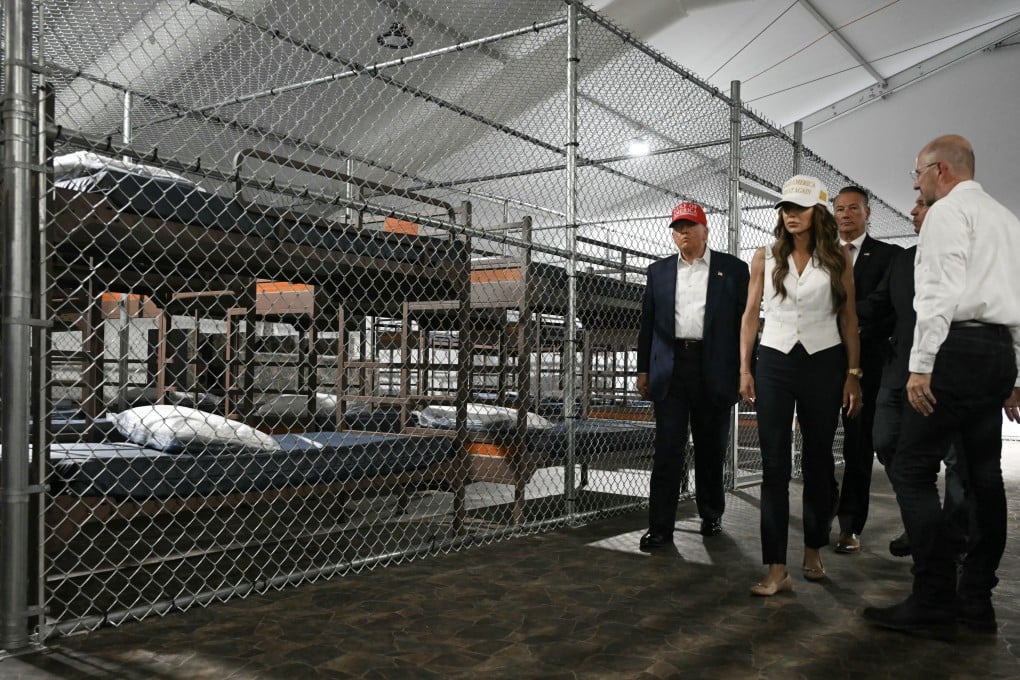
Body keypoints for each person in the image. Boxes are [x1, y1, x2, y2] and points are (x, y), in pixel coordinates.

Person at [863, 134, 1020, 640]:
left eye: (919, 172)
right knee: (983, 476)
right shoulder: (1007, 220)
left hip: (953, 352)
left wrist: (921, 364)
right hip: (995, 353)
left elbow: (938, 292)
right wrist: (1015, 373)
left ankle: (932, 598)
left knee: (910, 468)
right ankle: (977, 604)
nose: (915, 182)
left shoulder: (949, 214)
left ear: (941, 171)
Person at [739, 175, 862, 596]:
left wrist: (852, 374)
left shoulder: (838, 260)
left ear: (817, 212)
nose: (790, 214)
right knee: (773, 464)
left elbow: (849, 321)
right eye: (785, 208)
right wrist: (745, 368)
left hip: (824, 361)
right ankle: (776, 567)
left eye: (800, 207)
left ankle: (813, 548)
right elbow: (751, 316)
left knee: (818, 461)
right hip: (774, 361)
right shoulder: (765, 256)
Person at [636, 200, 749, 549]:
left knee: (710, 447)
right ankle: (660, 528)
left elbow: (746, 323)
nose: (683, 232)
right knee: (667, 449)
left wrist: (747, 369)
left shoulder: (733, 269)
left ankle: (711, 514)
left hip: (714, 367)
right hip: (671, 369)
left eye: (690, 226)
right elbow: (648, 324)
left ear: (705, 230)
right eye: (677, 228)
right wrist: (643, 369)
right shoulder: (659, 272)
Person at [861, 195, 969, 558]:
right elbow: (877, 306)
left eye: (922, 204)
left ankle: (948, 541)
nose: (912, 211)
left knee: (957, 460)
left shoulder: (968, 256)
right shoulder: (903, 258)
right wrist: (827, 308)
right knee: (885, 440)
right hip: (898, 373)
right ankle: (922, 518)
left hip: (950, 375)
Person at [830, 186, 901, 555]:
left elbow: (888, 303)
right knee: (815, 438)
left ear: (868, 212)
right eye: (839, 209)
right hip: (821, 359)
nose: (845, 215)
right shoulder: (819, 255)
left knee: (858, 446)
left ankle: (850, 525)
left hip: (867, 363)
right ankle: (826, 498)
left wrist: (851, 324)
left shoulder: (890, 256)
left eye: (853, 208)